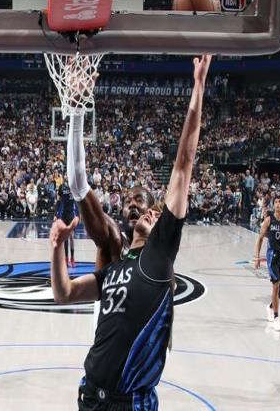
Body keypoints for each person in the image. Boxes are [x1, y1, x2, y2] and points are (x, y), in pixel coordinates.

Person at [49, 55, 212, 410]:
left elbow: (183, 165)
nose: (134, 206)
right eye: (128, 202)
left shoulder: (159, 253)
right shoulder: (112, 247)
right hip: (93, 390)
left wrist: (198, 86)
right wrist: (76, 108)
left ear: (156, 214)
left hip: (131, 394)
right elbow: (77, 183)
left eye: (142, 202)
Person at [254, 195, 280, 331]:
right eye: (275, 202)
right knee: (275, 285)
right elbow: (260, 238)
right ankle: (276, 317)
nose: (277, 204)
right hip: (272, 256)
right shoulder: (268, 220)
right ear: (273, 205)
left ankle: (270, 307)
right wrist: (257, 257)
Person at [54, 178, 79, 267]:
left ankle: (72, 258)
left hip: (71, 214)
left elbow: (78, 201)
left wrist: (79, 215)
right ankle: (66, 258)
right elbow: (58, 201)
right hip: (64, 215)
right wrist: (55, 214)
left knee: (71, 237)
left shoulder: (74, 186)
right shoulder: (61, 187)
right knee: (65, 238)